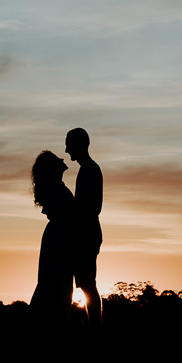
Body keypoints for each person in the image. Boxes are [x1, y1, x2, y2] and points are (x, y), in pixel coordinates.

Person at [27, 150, 75, 328]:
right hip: (58, 240)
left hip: (57, 238)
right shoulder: (57, 190)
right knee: (55, 286)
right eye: (57, 160)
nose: (63, 158)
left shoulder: (56, 188)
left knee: (55, 286)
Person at [65, 127, 103, 328]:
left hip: (86, 236)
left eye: (69, 145)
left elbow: (91, 207)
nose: (66, 150)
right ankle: (93, 327)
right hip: (86, 234)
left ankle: (96, 328)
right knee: (86, 285)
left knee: (88, 286)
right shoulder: (87, 169)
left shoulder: (89, 169)